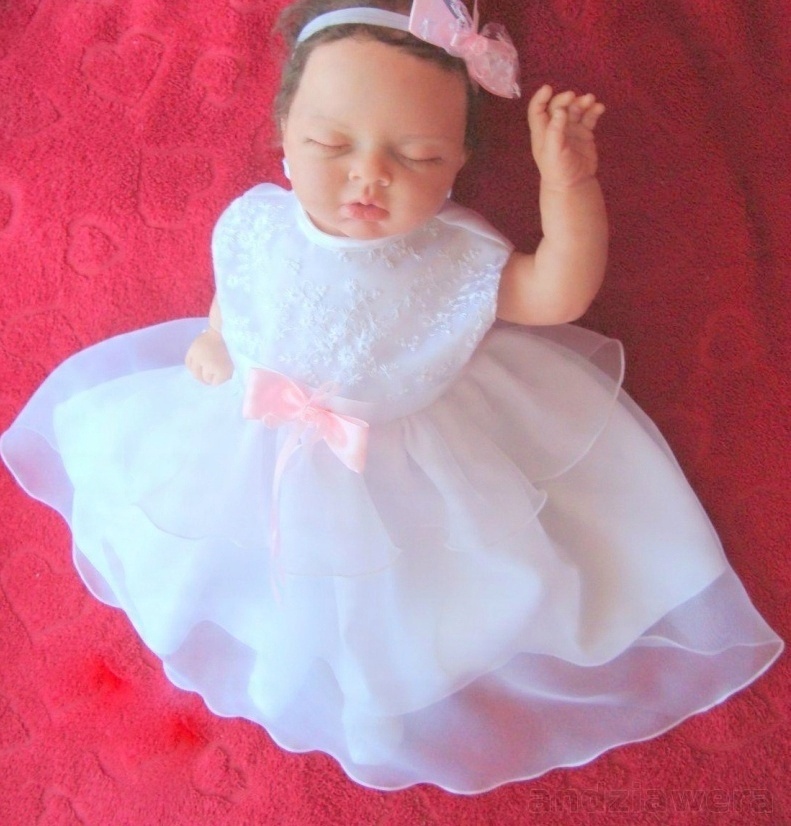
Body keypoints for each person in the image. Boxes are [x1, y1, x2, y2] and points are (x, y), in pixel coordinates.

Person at [1, 0, 782, 794]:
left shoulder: (455, 257)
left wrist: (567, 184)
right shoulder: (258, 222)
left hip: (399, 460)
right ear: (283, 133)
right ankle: (275, 644)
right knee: (236, 554)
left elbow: (556, 294)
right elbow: (239, 291)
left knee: (394, 598)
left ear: (458, 164)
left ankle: (377, 694)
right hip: (246, 430)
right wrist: (214, 339)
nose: (369, 174)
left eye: (416, 155)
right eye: (331, 144)